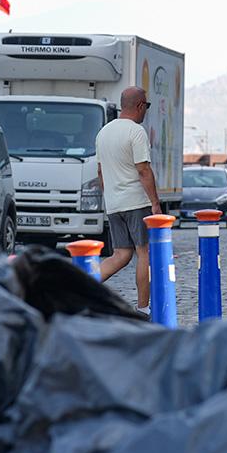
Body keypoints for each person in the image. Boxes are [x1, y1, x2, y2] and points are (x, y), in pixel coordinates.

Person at [96, 87, 162, 312]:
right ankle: (143, 309)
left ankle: (76, 286)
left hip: (114, 203)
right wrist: (155, 203)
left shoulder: (103, 133)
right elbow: (143, 170)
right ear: (140, 105)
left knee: (121, 254)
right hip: (136, 202)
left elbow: (100, 172)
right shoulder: (136, 131)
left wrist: (110, 197)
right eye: (147, 106)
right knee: (144, 252)